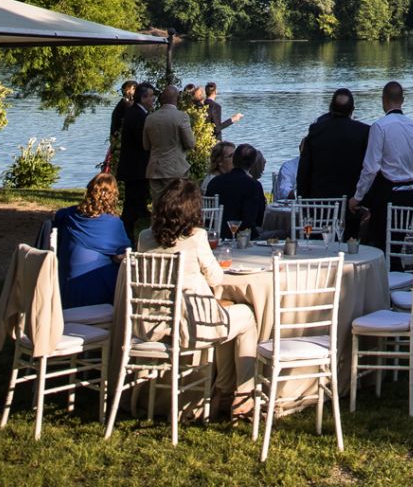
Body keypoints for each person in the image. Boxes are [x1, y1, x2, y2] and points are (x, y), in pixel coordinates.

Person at [138, 179, 257, 419]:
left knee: (224, 315)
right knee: (246, 316)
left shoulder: (145, 237)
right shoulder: (196, 237)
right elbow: (215, 278)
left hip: (151, 323)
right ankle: (244, 394)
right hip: (189, 326)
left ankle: (223, 391)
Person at [351, 81, 413, 257]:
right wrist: (410, 180)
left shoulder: (379, 126)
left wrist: (357, 197)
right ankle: (395, 268)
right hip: (408, 196)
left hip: (386, 195)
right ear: (402, 100)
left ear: (383, 100)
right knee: (397, 244)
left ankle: (383, 271)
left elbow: (371, 168)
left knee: (379, 245)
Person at [54, 172, 131, 310]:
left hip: (62, 287)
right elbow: (122, 256)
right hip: (94, 293)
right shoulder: (112, 224)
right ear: (113, 196)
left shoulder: (67, 215)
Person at [297, 88, 370, 233]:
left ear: (330, 108)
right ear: (352, 110)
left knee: (316, 241)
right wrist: (366, 202)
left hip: (319, 205)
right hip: (350, 207)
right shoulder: (364, 132)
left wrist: (303, 203)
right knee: (349, 243)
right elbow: (368, 168)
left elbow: (304, 171)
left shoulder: (315, 130)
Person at [204, 142, 267, 238]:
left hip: (215, 234)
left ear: (234, 160)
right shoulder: (253, 185)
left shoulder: (214, 182)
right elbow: (259, 219)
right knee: (281, 233)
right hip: (244, 237)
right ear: (252, 163)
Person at [143, 86, 194, 203]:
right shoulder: (181, 117)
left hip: (155, 169)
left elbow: (146, 146)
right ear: (176, 99)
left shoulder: (150, 118)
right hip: (175, 169)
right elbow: (190, 143)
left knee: (158, 205)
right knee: (175, 204)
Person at [116, 81, 155, 235]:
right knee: (133, 202)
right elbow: (142, 141)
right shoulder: (138, 115)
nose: (153, 99)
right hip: (135, 167)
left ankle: (134, 225)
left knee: (136, 200)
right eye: (150, 96)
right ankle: (127, 232)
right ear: (143, 98)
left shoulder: (136, 112)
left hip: (134, 166)